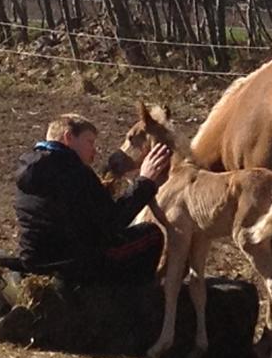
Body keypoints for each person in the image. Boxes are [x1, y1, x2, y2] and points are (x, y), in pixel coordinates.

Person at [15, 112, 172, 285]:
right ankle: (131, 302)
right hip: (74, 264)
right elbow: (113, 221)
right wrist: (145, 182)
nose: (94, 151)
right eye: (89, 141)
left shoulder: (29, 169)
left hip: (33, 260)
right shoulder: (74, 172)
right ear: (68, 137)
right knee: (151, 235)